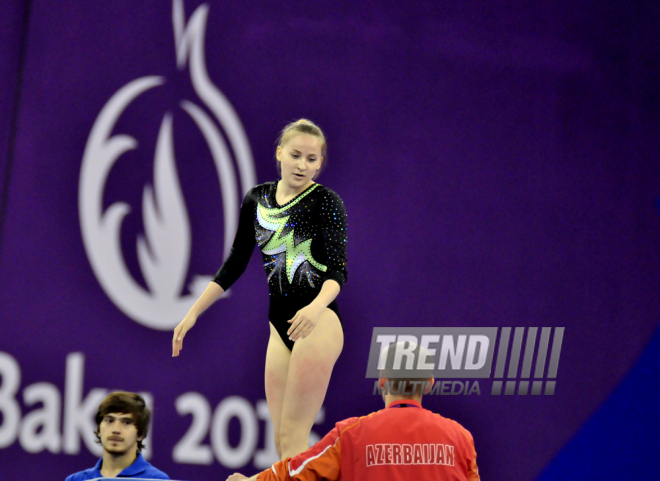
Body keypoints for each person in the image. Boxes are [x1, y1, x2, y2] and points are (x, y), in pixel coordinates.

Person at [173, 119, 347, 460]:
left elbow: (337, 272)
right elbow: (235, 262)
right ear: (280, 153)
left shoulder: (326, 202)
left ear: (320, 163)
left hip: (317, 322)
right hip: (278, 324)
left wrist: (315, 309)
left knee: (294, 434)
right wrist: (193, 312)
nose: (302, 165)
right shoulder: (257, 199)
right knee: (281, 442)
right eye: (296, 155)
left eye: (312, 159)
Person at [225, 342, 480, 481]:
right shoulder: (461, 439)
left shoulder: (351, 434)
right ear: (429, 384)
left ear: (382, 380)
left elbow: (295, 473)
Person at [65, 391, 169, 480]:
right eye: (109, 420)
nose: (116, 430)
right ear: (99, 430)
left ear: (140, 434)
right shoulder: (75, 480)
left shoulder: (158, 480)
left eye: (127, 422)